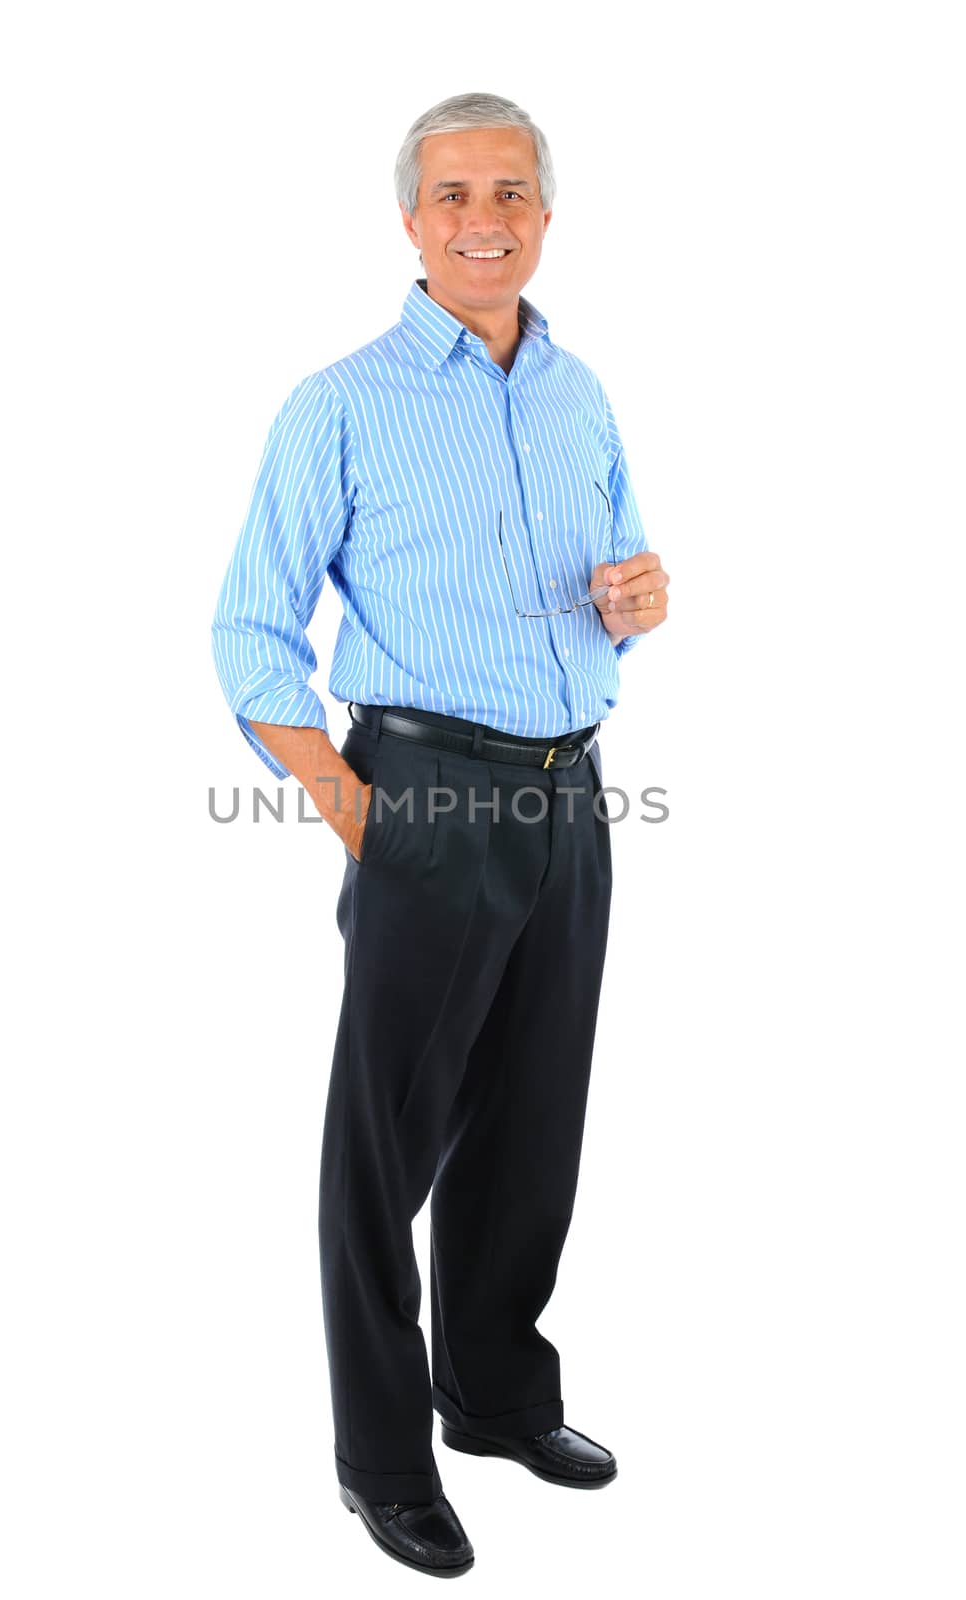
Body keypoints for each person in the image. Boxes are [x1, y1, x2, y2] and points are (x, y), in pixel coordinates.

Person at [211, 90, 669, 1577]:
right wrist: (364, 815)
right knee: (383, 1149)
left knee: (534, 1114)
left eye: (514, 192)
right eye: (458, 193)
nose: (488, 219)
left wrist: (638, 602)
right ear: (412, 220)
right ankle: (383, 1459)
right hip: (426, 796)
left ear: (547, 213)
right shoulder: (338, 402)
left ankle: (494, 1396)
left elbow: (618, 583)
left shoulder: (579, 390)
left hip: (567, 790)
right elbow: (249, 636)